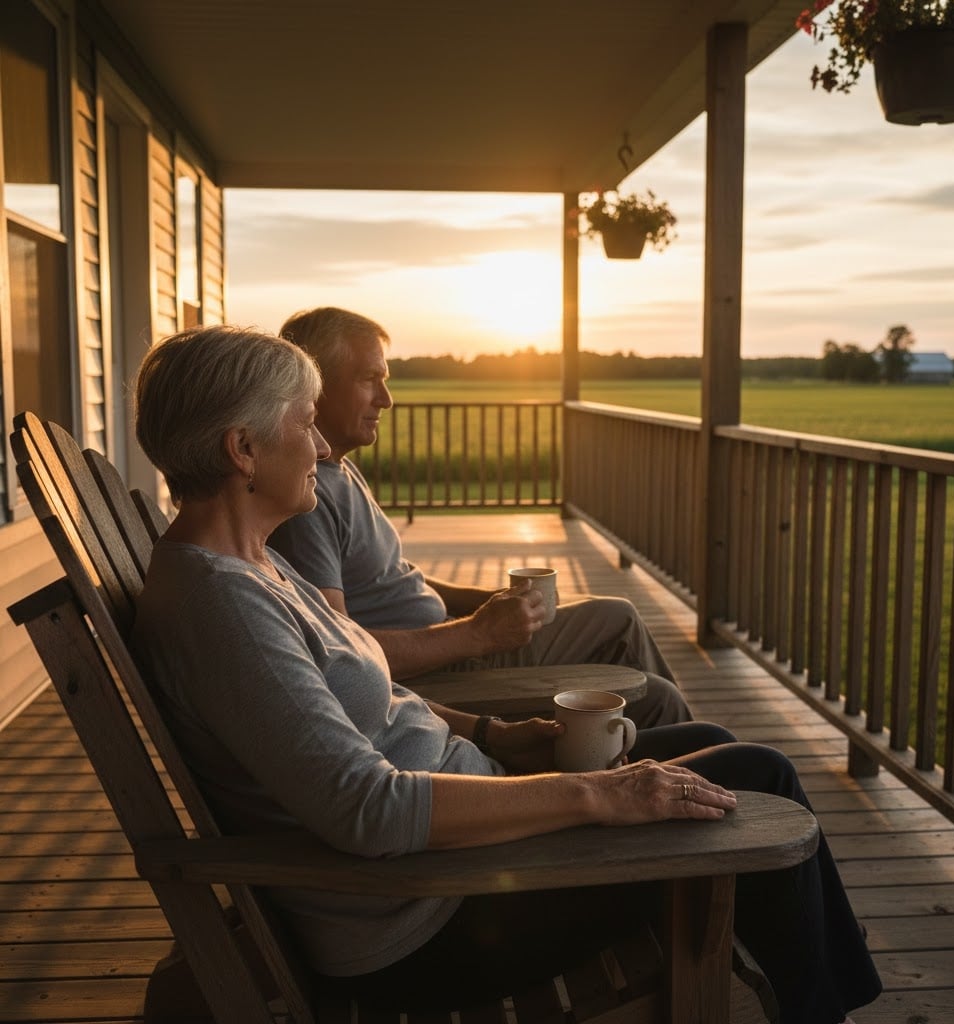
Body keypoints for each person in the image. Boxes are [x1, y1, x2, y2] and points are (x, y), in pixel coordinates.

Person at [130, 325, 880, 1024]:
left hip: (467, 842)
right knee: (758, 777)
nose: (322, 444)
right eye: (304, 423)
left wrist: (498, 734)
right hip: (426, 914)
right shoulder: (222, 607)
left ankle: (816, 1001)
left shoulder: (254, 563)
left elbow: (374, 698)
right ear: (243, 449)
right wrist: (593, 795)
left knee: (715, 743)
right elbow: (368, 810)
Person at [268, 306, 691, 729]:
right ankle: (693, 780)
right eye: (369, 380)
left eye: (386, 381)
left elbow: (386, 580)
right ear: (314, 384)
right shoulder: (308, 500)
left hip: (449, 639)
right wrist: (479, 633)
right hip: (438, 673)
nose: (386, 399)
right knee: (656, 693)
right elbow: (341, 651)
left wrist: (484, 603)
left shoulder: (337, 468)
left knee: (618, 615)